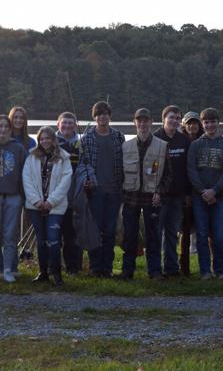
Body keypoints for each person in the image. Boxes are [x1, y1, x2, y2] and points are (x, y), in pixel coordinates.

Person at [120, 108, 171, 280]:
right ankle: (127, 271)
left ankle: (155, 271)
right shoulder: (125, 146)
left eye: (146, 121)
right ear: (134, 122)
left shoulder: (162, 146)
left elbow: (168, 175)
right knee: (129, 236)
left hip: (152, 199)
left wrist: (160, 192)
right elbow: (120, 174)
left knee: (153, 236)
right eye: (139, 120)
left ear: (151, 122)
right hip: (130, 198)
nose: (142, 124)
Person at [187, 108, 223, 280]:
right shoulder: (195, 145)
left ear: (218, 122)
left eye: (213, 121)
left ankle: (220, 271)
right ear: (202, 124)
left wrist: (214, 190)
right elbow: (191, 170)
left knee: (219, 236)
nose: (210, 125)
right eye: (206, 122)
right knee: (201, 236)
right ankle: (205, 271)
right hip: (199, 198)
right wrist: (203, 191)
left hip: (220, 198)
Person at [22, 126, 74, 286]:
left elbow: (65, 181)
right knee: (41, 240)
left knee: (53, 240)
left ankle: (57, 274)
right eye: (42, 138)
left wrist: (51, 201)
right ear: (39, 140)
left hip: (55, 207)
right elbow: (26, 179)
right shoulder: (31, 156)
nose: (45, 141)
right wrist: (36, 201)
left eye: (48, 138)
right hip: (36, 206)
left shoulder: (63, 157)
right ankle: (43, 272)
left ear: (53, 140)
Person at [78, 101, 125, 277]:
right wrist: (87, 181)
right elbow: (82, 165)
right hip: (95, 191)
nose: (102, 117)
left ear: (110, 116)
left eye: (105, 113)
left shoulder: (119, 137)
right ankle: (95, 266)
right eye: (99, 114)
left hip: (114, 191)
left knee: (110, 230)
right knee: (95, 229)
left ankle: (107, 267)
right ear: (94, 117)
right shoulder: (86, 138)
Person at [0, 115, 27, 282]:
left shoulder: (18, 149)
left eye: (6, 127)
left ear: (10, 129)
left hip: (13, 197)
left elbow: (25, 173)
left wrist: (22, 196)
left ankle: (8, 270)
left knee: (10, 236)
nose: (2, 129)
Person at [154, 105, 191, 278]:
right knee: (156, 232)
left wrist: (187, 193)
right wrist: (154, 191)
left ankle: (171, 267)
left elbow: (188, 169)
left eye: (177, 118)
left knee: (172, 232)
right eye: (171, 117)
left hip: (177, 195)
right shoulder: (155, 138)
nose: (174, 121)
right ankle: (155, 269)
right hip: (159, 195)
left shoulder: (184, 140)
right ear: (164, 119)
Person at [56, 111, 84, 274]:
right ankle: (53, 266)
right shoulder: (50, 141)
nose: (67, 126)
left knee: (72, 235)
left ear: (75, 125)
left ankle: (73, 267)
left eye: (70, 123)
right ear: (58, 124)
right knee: (54, 235)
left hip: (74, 197)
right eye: (64, 122)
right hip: (54, 199)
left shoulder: (81, 144)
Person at [178, 110, 203, 276]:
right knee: (185, 230)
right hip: (185, 192)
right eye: (189, 123)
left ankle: (209, 266)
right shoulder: (181, 141)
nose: (192, 126)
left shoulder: (204, 140)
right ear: (184, 125)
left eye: (195, 123)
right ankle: (184, 266)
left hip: (201, 191)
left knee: (205, 230)